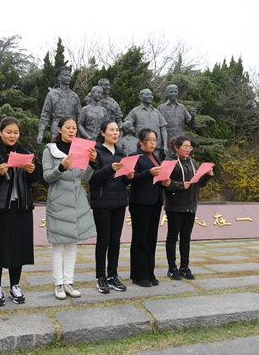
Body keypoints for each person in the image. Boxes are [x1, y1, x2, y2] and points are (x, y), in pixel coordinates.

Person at [0, 117, 40, 306]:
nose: (13, 135)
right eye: (9, 132)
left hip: (20, 208)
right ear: (0, 132)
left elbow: (35, 182)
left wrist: (32, 172)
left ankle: (15, 286)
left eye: (16, 132)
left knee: (17, 248)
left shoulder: (25, 153)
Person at [42, 116, 98, 299]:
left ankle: (69, 282)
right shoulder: (50, 150)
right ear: (59, 129)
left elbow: (84, 178)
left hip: (77, 202)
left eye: (74, 128)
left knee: (72, 245)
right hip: (58, 202)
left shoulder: (80, 149)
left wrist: (92, 163)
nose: (72, 130)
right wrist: (61, 167)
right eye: (68, 127)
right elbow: (47, 177)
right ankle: (58, 284)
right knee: (58, 245)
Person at [90, 120, 134, 294]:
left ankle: (113, 275)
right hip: (102, 202)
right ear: (103, 132)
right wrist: (110, 168)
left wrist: (128, 177)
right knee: (103, 240)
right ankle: (101, 277)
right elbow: (92, 178)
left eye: (117, 130)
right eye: (112, 130)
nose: (115, 133)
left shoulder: (121, 153)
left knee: (115, 240)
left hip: (119, 202)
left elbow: (122, 181)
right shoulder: (95, 151)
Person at [163, 135, 214, 281]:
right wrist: (180, 185)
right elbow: (164, 183)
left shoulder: (193, 162)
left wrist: (207, 176)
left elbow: (199, 183)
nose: (188, 149)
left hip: (190, 205)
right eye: (185, 146)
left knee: (186, 238)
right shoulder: (170, 162)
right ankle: (172, 268)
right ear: (176, 148)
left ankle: (184, 267)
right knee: (172, 237)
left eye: (189, 147)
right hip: (175, 206)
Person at [128, 128, 170, 287]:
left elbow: (157, 178)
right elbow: (132, 179)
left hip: (155, 201)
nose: (152, 143)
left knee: (151, 238)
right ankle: (139, 275)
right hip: (140, 202)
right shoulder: (134, 157)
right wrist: (150, 173)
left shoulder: (156, 157)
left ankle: (149, 272)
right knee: (140, 239)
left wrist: (165, 182)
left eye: (154, 140)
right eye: (149, 140)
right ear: (140, 141)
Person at [37, 66, 81, 144]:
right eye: (65, 75)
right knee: (55, 149)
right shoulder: (52, 94)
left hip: (71, 129)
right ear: (59, 78)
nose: (68, 77)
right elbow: (45, 114)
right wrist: (41, 133)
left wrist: (80, 134)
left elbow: (79, 116)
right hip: (56, 128)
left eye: (69, 76)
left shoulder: (75, 96)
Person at [124, 88, 168, 160]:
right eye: (147, 94)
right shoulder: (135, 111)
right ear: (141, 97)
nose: (150, 96)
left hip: (156, 146)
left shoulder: (157, 112)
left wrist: (165, 145)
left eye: (151, 95)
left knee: (155, 164)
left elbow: (163, 129)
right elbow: (127, 124)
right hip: (141, 145)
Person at [157, 84, 197, 153]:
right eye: (171, 92)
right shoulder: (161, 108)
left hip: (181, 143)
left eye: (175, 92)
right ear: (167, 93)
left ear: (177, 92)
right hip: (167, 144)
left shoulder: (182, 108)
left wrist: (193, 117)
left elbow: (190, 125)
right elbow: (157, 127)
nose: (173, 94)